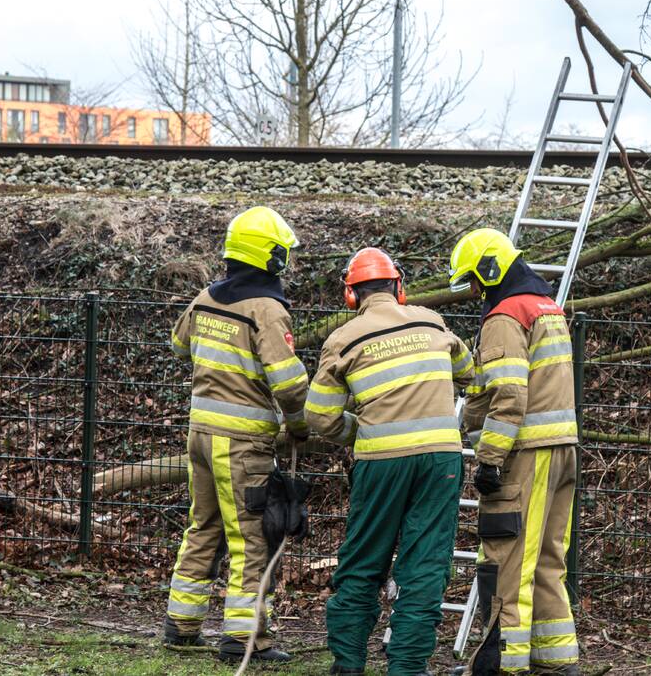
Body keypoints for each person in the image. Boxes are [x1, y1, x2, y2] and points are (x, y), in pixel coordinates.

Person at [306, 247, 474, 676]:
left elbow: (319, 415)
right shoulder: (430, 320)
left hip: (381, 463)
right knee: (425, 566)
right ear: (399, 287)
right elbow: (468, 370)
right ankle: (408, 667)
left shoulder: (343, 339)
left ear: (351, 295)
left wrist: (360, 430)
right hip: (441, 459)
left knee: (364, 561)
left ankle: (348, 664)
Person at [163, 206, 309, 664]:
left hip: (200, 434)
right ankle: (245, 640)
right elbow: (288, 383)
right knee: (252, 537)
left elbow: (179, 344)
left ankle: (181, 625)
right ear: (270, 256)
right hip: (242, 443)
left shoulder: (206, 297)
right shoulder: (266, 309)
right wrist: (301, 423)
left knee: (202, 525)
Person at [448, 228, 580, 675]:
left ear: (489, 270)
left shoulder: (506, 316)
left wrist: (488, 458)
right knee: (547, 560)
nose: (472, 292)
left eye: (473, 280)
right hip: (562, 449)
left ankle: (503, 665)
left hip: (525, 455)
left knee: (508, 561)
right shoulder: (547, 307)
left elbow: (509, 396)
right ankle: (557, 660)